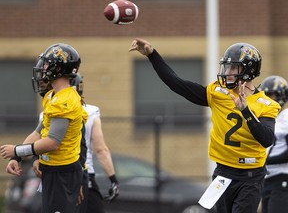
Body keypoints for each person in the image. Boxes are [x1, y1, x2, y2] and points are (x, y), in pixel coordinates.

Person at [129, 38, 281, 213]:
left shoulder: (266, 104)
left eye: (234, 68)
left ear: (249, 71)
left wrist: (246, 110)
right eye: (227, 67)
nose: (228, 72)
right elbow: (176, 83)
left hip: (250, 176)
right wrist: (152, 55)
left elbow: (266, 139)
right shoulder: (218, 93)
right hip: (223, 173)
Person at [0, 43, 88, 213]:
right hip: (52, 171)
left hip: (63, 173)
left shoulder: (65, 101)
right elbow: (38, 133)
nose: (43, 67)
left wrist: (17, 151)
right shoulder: (52, 95)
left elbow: (52, 143)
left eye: (47, 63)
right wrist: (18, 159)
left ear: (59, 67)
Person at [70, 73, 119, 213]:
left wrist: (19, 155)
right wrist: (113, 179)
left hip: (58, 174)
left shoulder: (48, 112)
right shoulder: (90, 112)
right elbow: (100, 150)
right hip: (84, 173)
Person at [260, 76, 288, 213]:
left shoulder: (287, 117)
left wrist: (265, 161)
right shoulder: (266, 119)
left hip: (283, 178)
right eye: (265, 95)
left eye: (271, 95)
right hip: (266, 179)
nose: (268, 99)